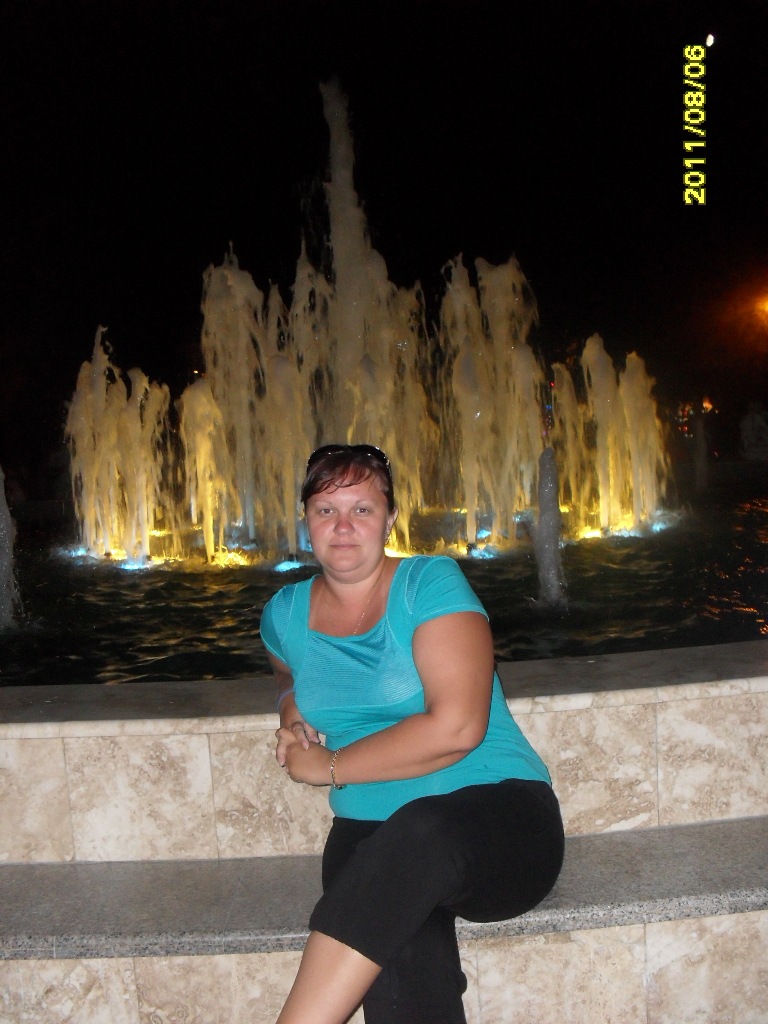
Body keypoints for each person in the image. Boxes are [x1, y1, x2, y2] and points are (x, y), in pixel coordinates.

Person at [260, 444, 564, 1024]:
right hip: (368, 830)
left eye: (362, 509)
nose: (343, 526)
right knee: (399, 969)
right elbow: (283, 670)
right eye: (326, 510)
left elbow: (457, 728)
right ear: (306, 521)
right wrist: (291, 710)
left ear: (390, 518)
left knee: (418, 832)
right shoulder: (283, 611)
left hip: (495, 818)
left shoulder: (429, 582)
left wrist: (327, 766)